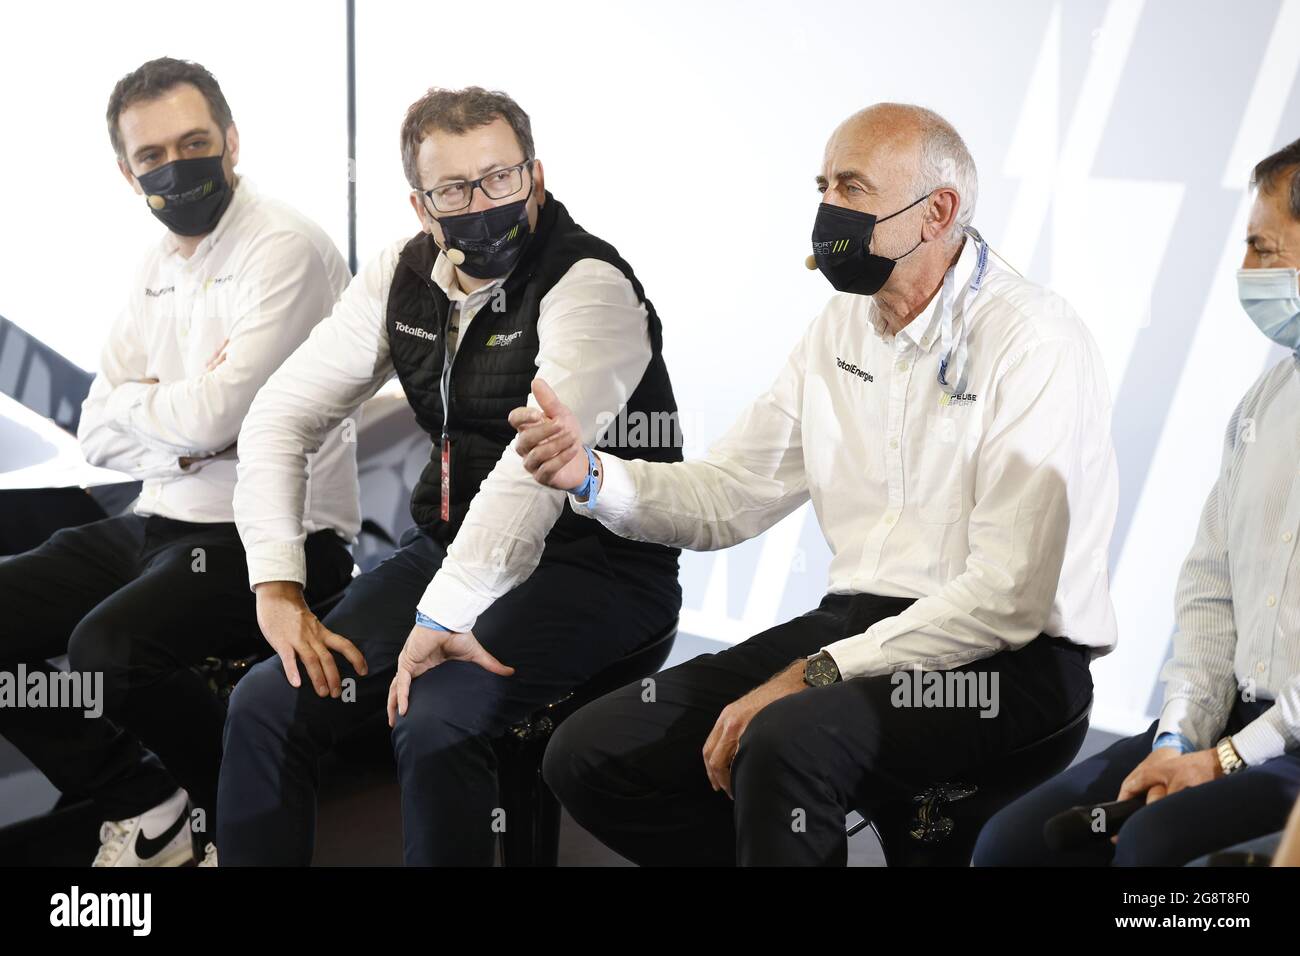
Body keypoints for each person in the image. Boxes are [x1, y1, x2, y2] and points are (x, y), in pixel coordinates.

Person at [512, 102, 1118, 866]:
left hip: (1008, 663)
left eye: (853, 187)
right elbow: (733, 491)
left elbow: (1006, 598)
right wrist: (593, 476)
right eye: (824, 184)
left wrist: (816, 674)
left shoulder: (1034, 341)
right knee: (592, 752)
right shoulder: (840, 327)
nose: (829, 210)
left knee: (785, 740)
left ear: (938, 212)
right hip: (859, 625)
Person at [218, 86, 683, 866]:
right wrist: (276, 587)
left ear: (535, 174)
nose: (482, 201)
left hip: (597, 569)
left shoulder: (590, 285)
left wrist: (437, 620)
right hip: (449, 551)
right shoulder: (401, 277)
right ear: (420, 204)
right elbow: (278, 416)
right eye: (454, 190)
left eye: (500, 177)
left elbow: (528, 476)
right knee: (267, 700)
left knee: (435, 719)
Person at [0, 57, 355, 867]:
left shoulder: (285, 246)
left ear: (232, 142)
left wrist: (180, 409)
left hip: (276, 537)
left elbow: (218, 414)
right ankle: (150, 808)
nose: (176, 165)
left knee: (110, 652)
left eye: (194, 142)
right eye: (152, 156)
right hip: (158, 521)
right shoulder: (155, 264)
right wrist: (185, 418)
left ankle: (239, 828)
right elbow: (96, 429)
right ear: (129, 175)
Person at [973, 138, 1300, 867]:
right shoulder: (1267, 402)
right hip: (1232, 727)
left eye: (1262, 247)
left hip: (1287, 752)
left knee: (1149, 849)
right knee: (1012, 846)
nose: (1246, 272)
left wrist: (1224, 764)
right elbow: (1209, 592)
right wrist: (1181, 738)